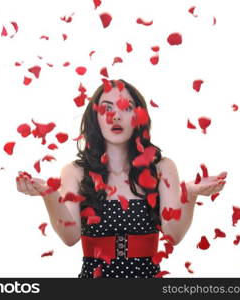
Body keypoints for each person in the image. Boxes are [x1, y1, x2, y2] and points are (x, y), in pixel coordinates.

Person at [16, 79, 227, 278]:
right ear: (95, 117)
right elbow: (70, 237)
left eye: (126, 108)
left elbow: (174, 235)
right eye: (107, 108)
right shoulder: (74, 172)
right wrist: (50, 195)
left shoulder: (162, 168)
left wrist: (189, 193)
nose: (116, 116)